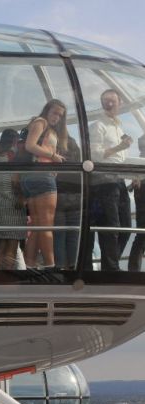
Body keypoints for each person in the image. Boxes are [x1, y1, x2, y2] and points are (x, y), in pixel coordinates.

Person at [87, 89, 132, 271]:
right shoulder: (98, 126)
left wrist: (134, 176)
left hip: (119, 180)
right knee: (110, 225)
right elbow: (95, 155)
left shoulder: (118, 127)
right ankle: (111, 269)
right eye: (106, 101)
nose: (109, 104)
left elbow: (121, 159)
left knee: (126, 226)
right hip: (104, 181)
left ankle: (110, 264)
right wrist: (119, 147)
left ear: (120, 103)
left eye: (112, 100)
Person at [19, 99, 67, 269]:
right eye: (54, 113)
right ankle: (50, 266)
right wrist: (53, 157)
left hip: (32, 177)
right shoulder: (41, 122)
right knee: (46, 225)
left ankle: (30, 266)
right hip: (42, 177)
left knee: (37, 225)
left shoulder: (45, 126)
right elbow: (30, 145)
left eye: (60, 115)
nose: (57, 118)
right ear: (47, 110)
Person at [0, 133, 26, 269]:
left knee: (3, 244)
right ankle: (8, 276)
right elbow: (15, 182)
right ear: (14, 141)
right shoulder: (12, 158)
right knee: (12, 244)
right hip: (13, 205)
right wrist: (22, 197)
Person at [53, 136, 81, 269]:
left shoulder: (57, 160)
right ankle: (72, 267)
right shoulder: (79, 164)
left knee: (59, 235)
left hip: (58, 198)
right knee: (73, 235)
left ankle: (59, 267)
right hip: (76, 200)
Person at [129, 135, 145, 271]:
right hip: (142, 193)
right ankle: (134, 269)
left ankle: (134, 269)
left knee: (142, 235)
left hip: (141, 192)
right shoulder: (141, 158)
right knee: (142, 234)